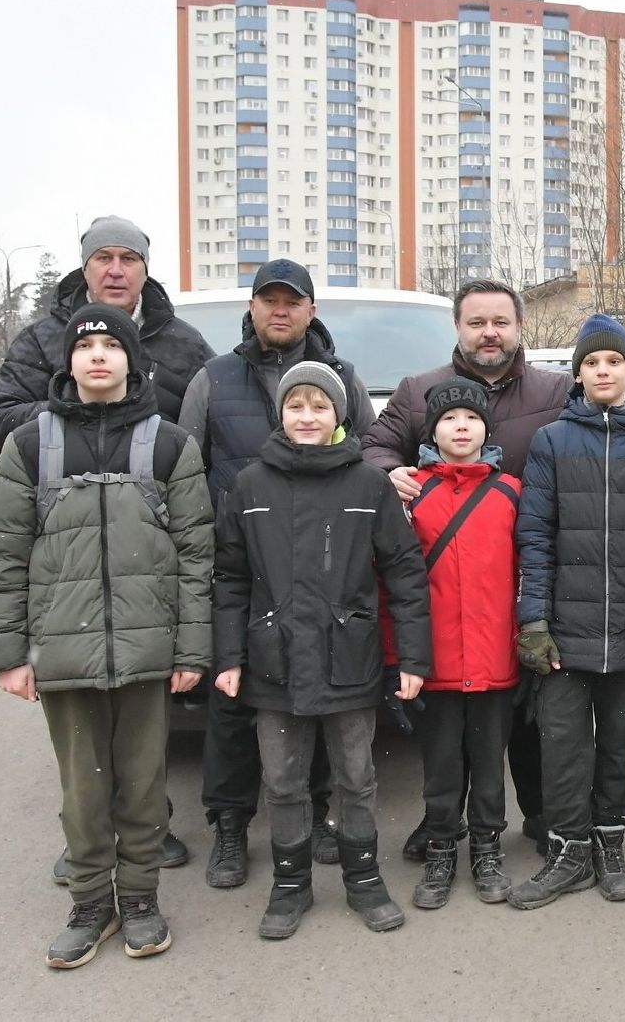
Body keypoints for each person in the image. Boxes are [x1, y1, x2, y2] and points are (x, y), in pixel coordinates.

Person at [363, 279, 625, 856]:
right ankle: (443, 823)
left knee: (531, 717)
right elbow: (373, 444)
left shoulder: (554, 389)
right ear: (458, 327)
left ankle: (541, 815)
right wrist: (388, 470)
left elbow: (603, 410)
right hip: (459, 579)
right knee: (454, 719)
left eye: (500, 322)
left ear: (519, 328)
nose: (489, 333)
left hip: (536, 578)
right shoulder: (418, 390)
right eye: (477, 322)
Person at [0, 304, 213, 968]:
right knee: (83, 791)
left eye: (114, 344)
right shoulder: (32, 445)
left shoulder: (169, 445)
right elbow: (4, 554)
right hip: (65, 652)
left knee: (142, 787)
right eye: (87, 346)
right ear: (69, 360)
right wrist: (7, 654)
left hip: (146, 653)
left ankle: (139, 900)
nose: (100, 355)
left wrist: (192, 648)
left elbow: (198, 555)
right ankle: (89, 904)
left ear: (134, 360)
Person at [210, 362, 431, 939]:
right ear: (280, 414)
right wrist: (228, 657)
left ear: (339, 415)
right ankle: (291, 886)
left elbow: (404, 574)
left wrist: (411, 659)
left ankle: (364, 880)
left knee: (356, 778)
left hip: (348, 661)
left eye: (319, 406)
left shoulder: (367, 485)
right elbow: (230, 578)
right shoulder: (250, 485)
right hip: (273, 662)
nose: (307, 416)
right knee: (281, 781)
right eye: (295, 406)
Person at [179, 259, 374, 888]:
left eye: (293, 301)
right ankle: (231, 825)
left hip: (321, 576)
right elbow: (187, 470)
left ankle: (315, 816)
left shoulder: (343, 379)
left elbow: (368, 460)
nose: (281, 310)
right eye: (269, 300)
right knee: (234, 703)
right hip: (241, 567)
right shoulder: (214, 379)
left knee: (314, 697)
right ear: (254, 307)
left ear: (312, 310)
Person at [507, 314, 625, 909]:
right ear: (577, 375)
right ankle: (568, 851)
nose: (603, 371)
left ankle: (609, 845)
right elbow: (533, 534)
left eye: (614, 362)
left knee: (615, 746)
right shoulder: (553, 441)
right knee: (562, 744)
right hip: (565, 632)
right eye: (592, 363)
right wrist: (533, 620)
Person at [397, 377, 523, 910]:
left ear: (485, 428)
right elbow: (398, 578)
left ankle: (487, 845)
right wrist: (402, 656)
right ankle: (443, 845)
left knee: (489, 760)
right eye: (449, 419)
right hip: (438, 658)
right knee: (442, 762)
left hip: (495, 656)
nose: (462, 426)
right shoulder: (411, 494)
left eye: (471, 418)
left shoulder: (510, 492)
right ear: (433, 431)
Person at [0, 216, 213, 453]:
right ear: (85, 269)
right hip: (63, 485)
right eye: (103, 258)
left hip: (157, 486)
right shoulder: (40, 341)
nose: (115, 271)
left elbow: (221, 423)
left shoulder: (185, 343)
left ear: (145, 271)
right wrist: (74, 407)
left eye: (128, 258)